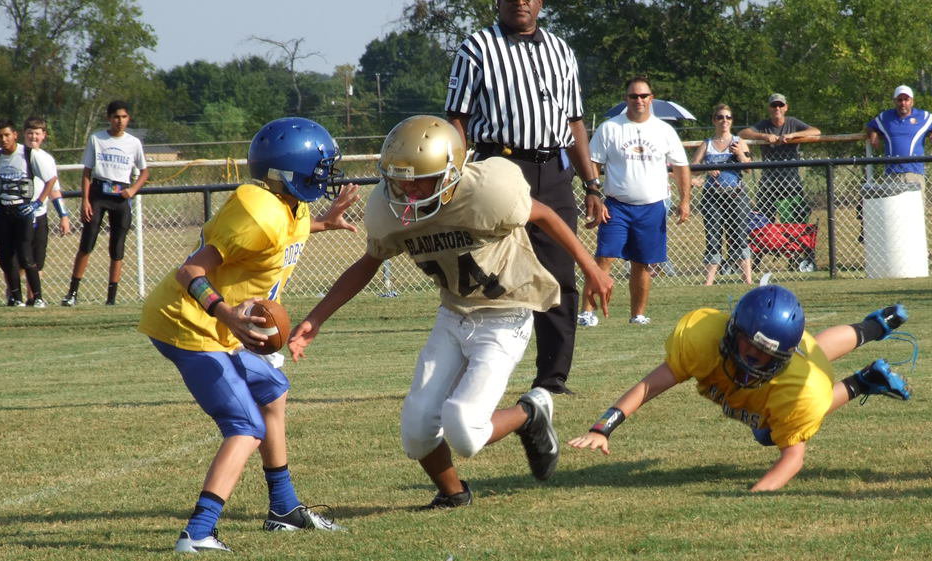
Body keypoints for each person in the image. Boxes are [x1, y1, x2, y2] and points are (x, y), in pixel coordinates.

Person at [289, 115, 614, 509]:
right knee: (416, 429)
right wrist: (316, 318)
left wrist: (591, 267)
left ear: (450, 173)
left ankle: (531, 410)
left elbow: (544, 214)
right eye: (398, 179)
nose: (406, 189)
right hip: (453, 313)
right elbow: (369, 261)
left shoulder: (487, 192)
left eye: (418, 180)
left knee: (464, 429)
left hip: (505, 312)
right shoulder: (391, 209)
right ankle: (452, 493)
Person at [138, 117, 356, 554]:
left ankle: (284, 509)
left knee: (273, 391)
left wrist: (324, 224)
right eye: (319, 167)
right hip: (188, 324)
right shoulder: (259, 212)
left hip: (217, 324)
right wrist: (226, 314)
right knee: (245, 424)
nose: (326, 176)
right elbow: (191, 271)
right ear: (289, 171)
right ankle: (198, 533)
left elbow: (283, 233)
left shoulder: (290, 206)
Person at [568, 285, 914, 492]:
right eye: (749, 348)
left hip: (806, 377)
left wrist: (758, 493)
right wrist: (603, 427)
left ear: (783, 356)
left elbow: (793, 458)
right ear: (733, 331)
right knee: (815, 349)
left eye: (766, 357)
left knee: (770, 433)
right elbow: (650, 385)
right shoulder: (704, 338)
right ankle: (874, 326)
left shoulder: (799, 388)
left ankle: (861, 381)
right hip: (802, 355)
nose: (753, 362)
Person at [445, 0, 605, 395]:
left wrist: (592, 185)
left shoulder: (561, 49)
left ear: (540, 3)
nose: (520, 1)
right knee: (485, 274)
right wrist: (457, 179)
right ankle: (474, 371)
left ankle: (552, 379)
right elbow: (456, 120)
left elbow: (575, 122)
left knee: (559, 276)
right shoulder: (476, 48)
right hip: (498, 167)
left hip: (553, 171)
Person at [577, 77, 689, 327]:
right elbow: (593, 161)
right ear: (625, 98)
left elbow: (681, 165)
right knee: (604, 258)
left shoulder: (664, 130)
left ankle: (637, 315)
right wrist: (595, 194)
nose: (639, 100)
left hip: (652, 207)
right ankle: (587, 312)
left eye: (643, 96)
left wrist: (685, 201)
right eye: (633, 96)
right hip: (616, 205)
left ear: (652, 98)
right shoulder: (610, 128)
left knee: (643, 263)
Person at [63, 100, 148, 306]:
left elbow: (144, 171)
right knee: (87, 243)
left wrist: (133, 189)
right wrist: (85, 201)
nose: (120, 121)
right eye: (116, 117)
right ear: (109, 118)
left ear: (128, 119)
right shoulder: (97, 139)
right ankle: (72, 293)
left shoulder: (133, 143)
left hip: (120, 196)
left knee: (117, 247)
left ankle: (111, 297)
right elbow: (87, 172)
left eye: (124, 117)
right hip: (99, 194)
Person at [0, 119, 58, 307]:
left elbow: (51, 179)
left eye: (7, 135)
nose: (4, 139)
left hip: (23, 211)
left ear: (15, 135)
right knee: (6, 257)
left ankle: (37, 297)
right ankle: (16, 297)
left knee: (26, 256)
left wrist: (38, 203)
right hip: (4, 212)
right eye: (1, 136)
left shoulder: (28, 155)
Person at [692, 104, 752, 285]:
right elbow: (693, 168)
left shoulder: (738, 141)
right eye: (720, 117)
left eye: (728, 117)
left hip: (736, 195)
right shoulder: (707, 144)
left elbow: (749, 168)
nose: (724, 120)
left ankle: (747, 279)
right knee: (713, 236)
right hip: (712, 197)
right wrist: (707, 169)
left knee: (739, 235)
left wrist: (740, 154)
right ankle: (709, 282)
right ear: (714, 120)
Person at [738, 94, 821, 225]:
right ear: (769, 108)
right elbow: (742, 134)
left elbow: (816, 131)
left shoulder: (792, 122)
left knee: (794, 225)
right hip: (768, 183)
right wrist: (764, 136)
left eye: (780, 105)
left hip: (791, 183)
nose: (777, 108)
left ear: (786, 107)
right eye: (774, 105)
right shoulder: (764, 125)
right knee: (763, 224)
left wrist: (793, 135)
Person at [23, 117, 72, 305]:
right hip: (18, 215)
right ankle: (17, 297)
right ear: (23, 134)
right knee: (18, 260)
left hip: (39, 214)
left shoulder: (46, 159)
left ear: (44, 135)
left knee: (37, 260)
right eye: (30, 132)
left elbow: (54, 189)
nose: (33, 136)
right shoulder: (17, 155)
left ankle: (33, 297)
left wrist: (64, 216)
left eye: (37, 133)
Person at [865, 85, 932, 188]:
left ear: (912, 101)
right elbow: (869, 126)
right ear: (895, 101)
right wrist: (873, 134)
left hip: (914, 173)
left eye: (906, 99)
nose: (903, 103)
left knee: (915, 204)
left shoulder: (923, 116)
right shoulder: (885, 117)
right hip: (892, 174)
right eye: (899, 100)